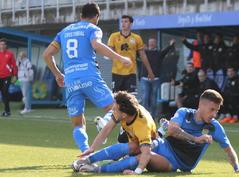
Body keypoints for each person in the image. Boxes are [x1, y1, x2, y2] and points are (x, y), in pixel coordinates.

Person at [43, 3, 131, 152]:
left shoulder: (64, 32)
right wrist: (120, 58)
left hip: (70, 80)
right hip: (89, 76)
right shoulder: (92, 28)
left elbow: (46, 54)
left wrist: (58, 74)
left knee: (78, 123)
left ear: (80, 16)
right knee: (115, 107)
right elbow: (96, 45)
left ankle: (85, 152)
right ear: (96, 16)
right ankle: (104, 121)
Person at [71, 91, 210, 174]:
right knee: (130, 147)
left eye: (115, 108)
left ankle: (96, 170)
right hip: (152, 144)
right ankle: (88, 161)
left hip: (164, 159)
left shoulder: (141, 125)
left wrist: (137, 172)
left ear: (124, 114)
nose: (113, 110)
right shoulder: (123, 112)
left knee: (138, 156)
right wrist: (91, 150)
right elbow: (106, 129)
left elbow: (146, 154)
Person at [124, 89, 239, 175]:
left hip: (176, 162)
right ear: (201, 104)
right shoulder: (184, 112)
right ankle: (114, 166)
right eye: (212, 109)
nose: (214, 114)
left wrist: (237, 168)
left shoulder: (214, 127)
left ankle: (113, 168)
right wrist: (195, 139)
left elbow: (228, 149)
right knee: (135, 146)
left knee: (143, 155)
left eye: (216, 111)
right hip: (163, 146)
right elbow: (172, 130)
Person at [108, 15, 155, 93]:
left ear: (131, 24)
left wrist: (150, 71)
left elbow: (143, 56)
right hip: (116, 73)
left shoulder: (137, 38)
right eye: (122, 21)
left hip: (131, 73)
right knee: (116, 99)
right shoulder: (114, 36)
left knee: (131, 99)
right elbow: (109, 53)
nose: (123, 24)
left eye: (126, 21)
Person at [140, 38, 175, 119]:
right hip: (145, 79)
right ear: (148, 43)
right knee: (145, 97)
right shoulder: (144, 52)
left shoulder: (159, 53)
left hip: (156, 80)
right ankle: (144, 116)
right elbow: (136, 51)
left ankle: (152, 116)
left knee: (154, 98)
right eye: (150, 42)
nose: (151, 44)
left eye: (153, 42)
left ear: (156, 44)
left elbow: (166, 51)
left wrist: (171, 45)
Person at [0, 38, 17, 117]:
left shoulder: (10, 54)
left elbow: (14, 65)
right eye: (1, 44)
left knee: (5, 93)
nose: (2, 46)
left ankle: (7, 111)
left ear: (6, 45)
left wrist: (14, 75)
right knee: (3, 94)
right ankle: (6, 111)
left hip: (7, 76)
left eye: (3, 44)